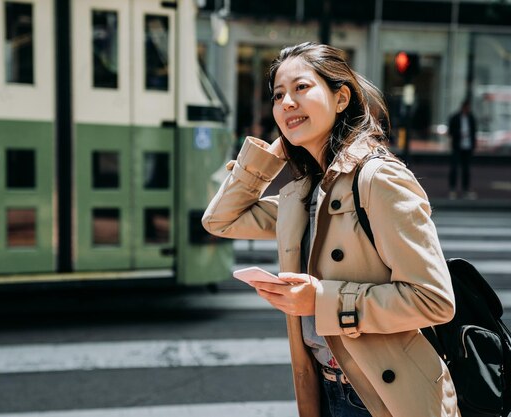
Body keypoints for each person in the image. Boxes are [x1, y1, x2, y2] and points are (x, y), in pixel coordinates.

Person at [202, 42, 458, 417]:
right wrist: (273, 153)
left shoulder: (379, 179)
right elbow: (219, 219)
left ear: (341, 99)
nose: (287, 102)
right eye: (278, 95)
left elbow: (434, 299)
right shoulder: (305, 192)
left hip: (385, 397)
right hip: (324, 389)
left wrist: (322, 301)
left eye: (301, 88)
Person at [448, 99, 477, 199]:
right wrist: (459, 134)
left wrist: (473, 145)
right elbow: (451, 131)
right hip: (457, 146)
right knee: (454, 168)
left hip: (467, 147)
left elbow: (474, 132)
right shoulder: (455, 117)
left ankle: (465, 189)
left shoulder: (471, 118)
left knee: (466, 169)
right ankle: (452, 189)